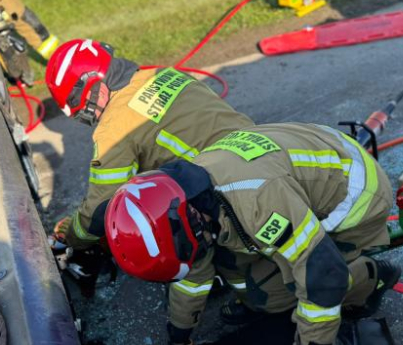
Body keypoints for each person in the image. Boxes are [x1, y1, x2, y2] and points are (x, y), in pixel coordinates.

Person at [105, 122, 401, 345]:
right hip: (314, 156)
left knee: (282, 293)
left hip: (356, 194)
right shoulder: (183, 195)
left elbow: (322, 273)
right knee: (240, 274)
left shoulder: (258, 202)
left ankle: (370, 277)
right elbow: (192, 281)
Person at [45, 38, 254, 251]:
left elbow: (100, 210)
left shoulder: (113, 128)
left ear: (91, 90)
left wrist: (72, 233)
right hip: (262, 147)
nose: (89, 120)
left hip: (233, 197)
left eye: (83, 113)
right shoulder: (164, 74)